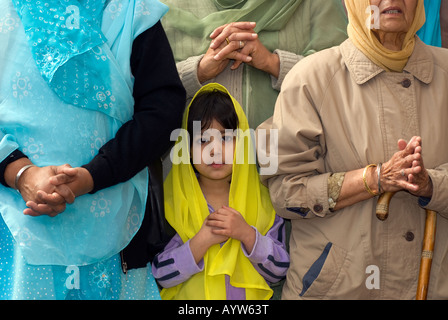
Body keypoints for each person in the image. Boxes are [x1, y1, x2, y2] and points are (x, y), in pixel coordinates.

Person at [257, 0, 448, 299]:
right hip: (342, 288)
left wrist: (430, 185)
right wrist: (374, 179)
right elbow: (285, 191)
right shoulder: (310, 79)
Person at [0, 0, 185, 299]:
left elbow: (162, 112)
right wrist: (21, 173)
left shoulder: (132, 12)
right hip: (15, 227)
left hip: (117, 225)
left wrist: (93, 175)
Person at [152, 83, 289, 300]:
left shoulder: (265, 203)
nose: (215, 150)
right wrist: (200, 242)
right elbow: (159, 276)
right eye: (203, 140)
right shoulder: (174, 204)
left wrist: (246, 234)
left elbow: (279, 271)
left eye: (226, 138)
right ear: (186, 148)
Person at [160, 0, 348, 130]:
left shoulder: (317, 4)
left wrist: (272, 63)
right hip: (188, 175)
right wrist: (198, 71)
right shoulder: (159, 7)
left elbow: (343, 85)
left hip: (285, 171)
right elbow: (143, 94)